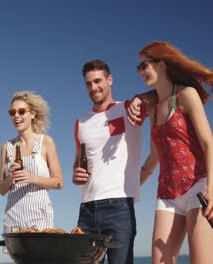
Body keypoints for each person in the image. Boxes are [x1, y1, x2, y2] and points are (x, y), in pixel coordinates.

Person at [136, 41, 213, 263]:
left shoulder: (186, 95)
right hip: (167, 194)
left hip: (199, 187)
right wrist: (130, 187)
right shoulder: (153, 109)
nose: (141, 72)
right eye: (139, 68)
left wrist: (210, 192)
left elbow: (209, 145)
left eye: (144, 65)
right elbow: (154, 157)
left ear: (162, 64)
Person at [72, 59, 147, 264]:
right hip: (87, 209)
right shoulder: (81, 122)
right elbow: (78, 159)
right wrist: (76, 172)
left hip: (119, 207)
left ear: (110, 80)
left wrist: (140, 98)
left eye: (98, 81)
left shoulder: (128, 108)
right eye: (88, 83)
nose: (93, 87)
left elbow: (160, 95)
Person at [0, 91, 63, 233]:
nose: (16, 116)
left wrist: (31, 178)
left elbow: (59, 182)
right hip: (13, 217)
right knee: (16, 256)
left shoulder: (46, 142)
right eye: (12, 112)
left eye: (21, 111)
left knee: (40, 255)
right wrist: (11, 178)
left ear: (32, 114)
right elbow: (1, 190)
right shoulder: (6, 147)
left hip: (39, 217)